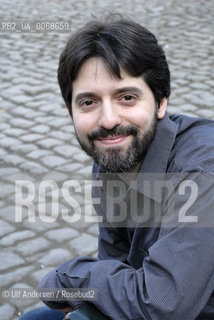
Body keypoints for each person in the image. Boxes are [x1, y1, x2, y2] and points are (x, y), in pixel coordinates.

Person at [20, 15, 214, 320]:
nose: (108, 120)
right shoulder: (112, 157)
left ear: (161, 102)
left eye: (127, 97)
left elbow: (164, 303)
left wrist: (68, 278)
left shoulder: (202, 167)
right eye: (88, 102)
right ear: (71, 112)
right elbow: (115, 265)